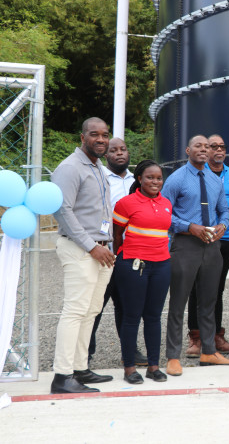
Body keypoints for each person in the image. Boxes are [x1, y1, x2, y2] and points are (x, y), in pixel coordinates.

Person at [161, 135, 229, 376]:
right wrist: (188, 227)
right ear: (188, 150)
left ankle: (208, 351)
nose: (204, 150)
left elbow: (225, 211)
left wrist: (222, 227)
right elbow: (164, 215)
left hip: (212, 247)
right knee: (178, 304)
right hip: (186, 246)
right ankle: (173, 356)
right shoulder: (176, 179)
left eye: (208, 146)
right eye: (199, 146)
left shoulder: (215, 181)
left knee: (208, 302)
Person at [50, 117, 115, 394]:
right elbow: (62, 211)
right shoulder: (70, 167)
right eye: (94, 134)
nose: (100, 139)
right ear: (82, 137)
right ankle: (62, 377)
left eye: (104, 135)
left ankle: (79, 368)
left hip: (101, 249)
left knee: (91, 311)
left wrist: (104, 245)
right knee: (75, 311)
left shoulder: (98, 166)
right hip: (82, 249)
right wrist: (92, 246)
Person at [88, 137, 148, 367]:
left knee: (127, 307)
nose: (120, 153)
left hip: (130, 255)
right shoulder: (100, 177)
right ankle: (86, 353)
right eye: (114, 150)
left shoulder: (138, 180)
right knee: (95, 306)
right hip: (104, 253)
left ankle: (130, 352)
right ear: (106, 155)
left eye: (123, 149)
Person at [112, 160, 172, 384]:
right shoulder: (125, 203)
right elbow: (117, 235)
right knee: (131, 317)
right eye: (150, 177)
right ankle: (129, 368)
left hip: (162, 265)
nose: (155, 181)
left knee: (154, 317)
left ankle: (153, 367)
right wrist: (122, 257)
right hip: (133, 265)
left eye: (158, 178)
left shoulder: (166, 203)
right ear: (139, 179)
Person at [185, 134, 229, 357]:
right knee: (196, 290)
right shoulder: (196, 173)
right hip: (197, 240)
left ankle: (216, 335)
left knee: (217, 289)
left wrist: (224, 225)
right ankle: (196, 337)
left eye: (222, 146)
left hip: (224, 240)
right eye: (213, 146)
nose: (218, 150)